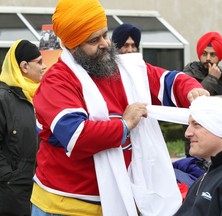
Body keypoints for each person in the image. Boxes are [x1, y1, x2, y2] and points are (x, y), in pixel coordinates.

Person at [30, 0, 209, 215]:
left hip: (118, 199)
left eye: (105, 34)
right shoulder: (56, 81)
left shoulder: (124, 68)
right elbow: (77, 136)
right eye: (93, 40)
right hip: (65, 205)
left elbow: (166, 80)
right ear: (73, 46)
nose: (105, 43)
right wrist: (124, 124)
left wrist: (191, 89)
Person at [0, 39, 46, 215]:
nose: (44, 66)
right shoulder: (3, 99)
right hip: (11, 193)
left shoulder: (39, 95)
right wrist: (10, 177)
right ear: (24, 66)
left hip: (38, 189)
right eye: (39, 62)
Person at [183, 31, 222, 157]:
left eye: (212, 54)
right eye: (204, 54)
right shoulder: (189, 72)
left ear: (219, 57)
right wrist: (212, 78)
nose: (208, 58)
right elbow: (194, 101)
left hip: (219, 136)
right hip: (196, 137)